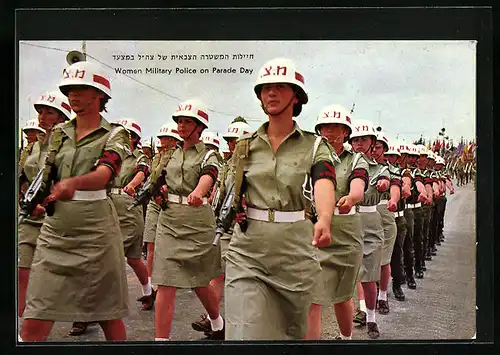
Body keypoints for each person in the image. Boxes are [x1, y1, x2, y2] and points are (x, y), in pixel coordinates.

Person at [224, 57, 336, 340]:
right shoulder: (245, 146)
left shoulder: (314, 145)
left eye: (279, 87)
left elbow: (324, 180)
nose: (270, 93)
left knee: (294, 332)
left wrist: (324, 218)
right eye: (265, 88)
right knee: (244, 331)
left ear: (296, 96)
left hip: (295, 250)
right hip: (248, 251)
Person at [20, 60, 129, 342]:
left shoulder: (116, 134)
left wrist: (74, 183)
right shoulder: (58, 134)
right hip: (56, 232)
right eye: (70, 90)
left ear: (100, 96)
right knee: (34, 319)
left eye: (81, 89)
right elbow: (47, 174)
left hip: (97, 233)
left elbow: (107, 172)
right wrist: (39, 197)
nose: (74, 95)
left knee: (107, 314)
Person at [151, 99, 224, 341]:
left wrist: (199, 192)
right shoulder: (169, 154)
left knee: (199, 279)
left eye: (188, 122)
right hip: (170, 220)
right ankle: (161, 342)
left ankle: (216, 321)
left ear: (200, 127)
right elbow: (158, 179)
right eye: (179, 121)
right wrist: (158, 192)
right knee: (165, 281)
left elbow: (209, 174)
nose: (181, 126)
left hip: (197, 221)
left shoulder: (209, 153)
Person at [306, 104, 368, 340]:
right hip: (314, 233)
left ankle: (346, 339)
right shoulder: (309, 157)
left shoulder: (356, 159)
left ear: (345, 132)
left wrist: (351, 198)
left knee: (342, 298)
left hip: (345, 236)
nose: (329, 132)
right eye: (325, 127)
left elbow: (359, 185)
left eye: (336, 127)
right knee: (313, 298)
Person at [191, 117, 251, 338]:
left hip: (244, 226)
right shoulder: (226, 165)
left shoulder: (252, 166)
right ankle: (214, 320)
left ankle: (233, 324)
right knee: (217, 274)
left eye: (236, 141)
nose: (231, 145)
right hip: (224, 225)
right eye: (229, 141)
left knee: (238, 278)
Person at [18, 91, 72, 325]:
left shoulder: (69, 147)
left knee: (60, 275)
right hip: (30, 218)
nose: (42, 116)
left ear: (61, 117)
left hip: (56, 217)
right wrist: (25, 197)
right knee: (22, 271)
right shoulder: (32, 148)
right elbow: (22, 177)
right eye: (40, 111)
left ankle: (79, 315)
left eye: (49, 112)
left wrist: (46, 203)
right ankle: (20, 324)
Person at [349, 119, 389, 339]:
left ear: (373, 142)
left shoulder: (380, 168)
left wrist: (383, 184)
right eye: (355, 140)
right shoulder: (345, 164)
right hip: (348, 221)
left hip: (370, 220)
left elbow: (384, 181)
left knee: (369, 274)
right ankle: (361, 310)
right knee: (353, 272)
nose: (359, 144)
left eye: (364, 139)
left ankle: (371, 318)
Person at [142, 122, 182, 301]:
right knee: (150, 243)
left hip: (171, 203)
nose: (162, 142)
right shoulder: (157, 158)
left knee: (169, 246)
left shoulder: (179, 158)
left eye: (165, 138)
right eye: (160, 138)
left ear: (174, 141)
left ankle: (169, 280)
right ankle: (151, 286)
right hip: (154, 202)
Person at [371, 132, 400, 315]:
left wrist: (393, 199)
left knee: (383, 261)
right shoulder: (360, 164)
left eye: (378, 147)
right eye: (372, 146)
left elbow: (395, 187)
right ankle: (365, 306)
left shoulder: (391, 169)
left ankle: (382, 296)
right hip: (363, 215)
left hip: (384, 215)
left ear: (385, 149)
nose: (374, 150)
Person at [386, 139, 411, 302]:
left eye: (395, 156)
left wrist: (405, 188)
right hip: (381, 219)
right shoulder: (379, 170)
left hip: (398, 218)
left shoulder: (402, 173)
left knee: (397, 253)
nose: (393, 158)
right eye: (390, 155)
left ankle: (397, 285)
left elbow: (406, 184)